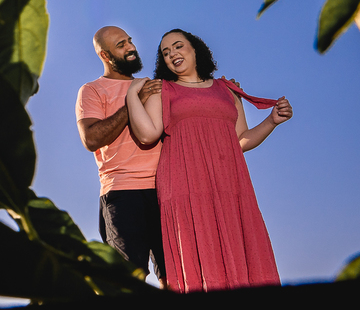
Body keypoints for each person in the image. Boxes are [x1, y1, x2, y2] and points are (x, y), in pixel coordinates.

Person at [125, 29, 293, 292]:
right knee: (199, 254)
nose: (172, 55)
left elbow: (240, 141)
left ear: (196, 49)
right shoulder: (163, 89)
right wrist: (131, 97)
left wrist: (272, 121)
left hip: (231, 184)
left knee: (242, 252)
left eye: (178, 46)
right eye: (166, 53)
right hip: (185, 185)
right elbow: (147, 135)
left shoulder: (227, 89)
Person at [75, 26, 165, 281]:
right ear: (105, 55)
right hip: (122, 194)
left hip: (166, 191)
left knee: (177, 277)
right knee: (128, 280)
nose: (131, 48)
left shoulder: (155, 86)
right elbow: (91, 138)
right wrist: (132, 101)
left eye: (129, 41)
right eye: (121, 45)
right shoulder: (92, 90)